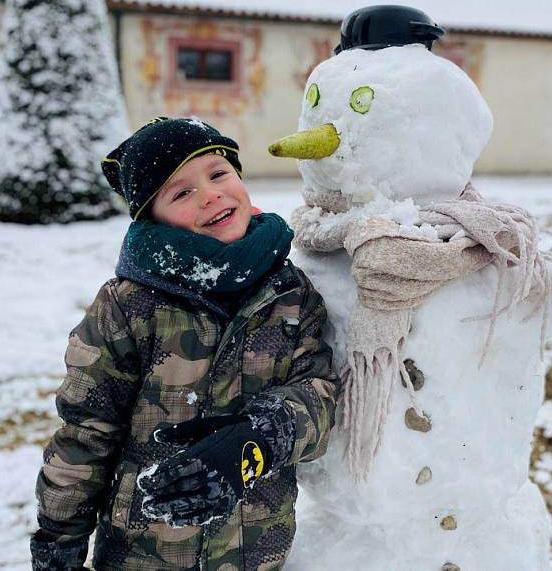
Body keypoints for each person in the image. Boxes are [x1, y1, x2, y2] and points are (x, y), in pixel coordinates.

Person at [30, 117, 339, 571]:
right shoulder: (129, 305)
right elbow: (85, 434)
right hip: (143, 554)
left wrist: (259, 438)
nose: (211, 194)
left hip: (255, 552)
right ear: (153, 219)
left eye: (218, 174)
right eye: (181, 193)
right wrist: (59, 541)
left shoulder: (291, 293)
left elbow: (320, 390)